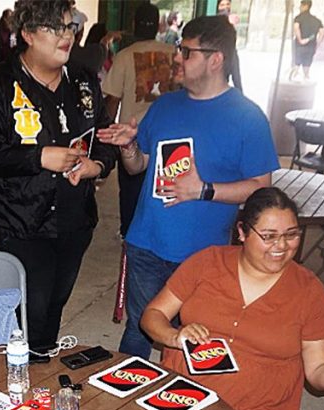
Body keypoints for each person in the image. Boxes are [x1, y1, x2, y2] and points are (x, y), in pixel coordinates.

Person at [98, 15, 278, 360]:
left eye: (187, 52)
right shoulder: (165, 105)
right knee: (138, 330)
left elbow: (260, 189)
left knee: (190, 341)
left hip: (202, 258)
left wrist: (203, 190)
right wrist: (129, 149)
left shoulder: (248, 117)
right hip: (144, 245)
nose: (176, 58)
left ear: (216, 59)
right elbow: (139, 167)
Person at [140, 188, 324, 410]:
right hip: (183, 389)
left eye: (291, 235)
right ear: (242, 232)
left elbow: (318, 372)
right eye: (269, 236)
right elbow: (153, 316)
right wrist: (175, 337)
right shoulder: (207, 262)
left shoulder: (309, 292)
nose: (282, 246)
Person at [0, 0, 118, 359]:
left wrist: (98, 164)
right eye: (55, 28)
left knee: (55, 304)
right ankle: (24, 368)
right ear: (28, 35)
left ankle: (42, 363)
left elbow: (106, 136)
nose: (66, 36)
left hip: (74, 218)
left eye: (70, 27)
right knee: (31, 307)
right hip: (21, 221)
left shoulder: (82, 80)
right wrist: (39, 157)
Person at [101, 2, 176, 238]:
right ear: (158, 25)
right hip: (168, 131)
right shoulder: (174, 54)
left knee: (131, 185)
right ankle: (159, 230)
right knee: (165, 184)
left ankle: (129, 232)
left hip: (132, 132)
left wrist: (107, 133)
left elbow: (112, 99)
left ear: (134, 25)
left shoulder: (123, 56)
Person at [289, 0, 324, 81]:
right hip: (311, 46)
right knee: (307, 66)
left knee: (296, 65)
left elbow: (296, 28)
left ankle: (292, 82)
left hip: (299, 46)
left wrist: (300, 39)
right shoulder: (317, 20)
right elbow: (322, 33)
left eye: (301, 6)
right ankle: (306, 81)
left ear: (306, 6)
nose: (299, 7)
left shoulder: (298, 18)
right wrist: (317, 44)